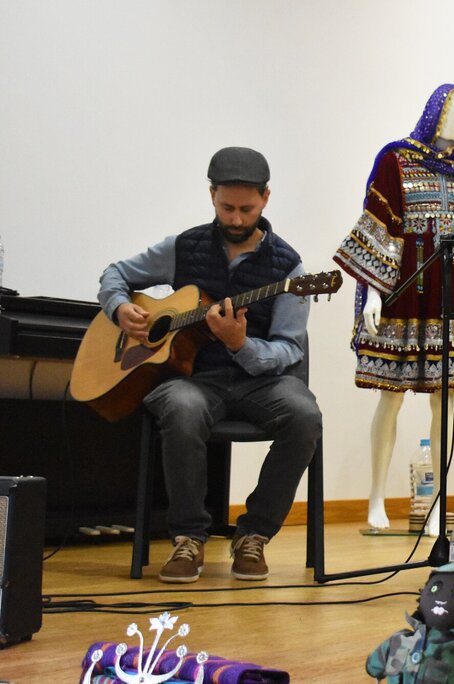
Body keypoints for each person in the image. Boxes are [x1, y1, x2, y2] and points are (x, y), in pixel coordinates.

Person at [98, 147, 323, 583]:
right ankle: (188, 538)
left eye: (246, 209)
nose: (236, 219)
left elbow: (288, 349)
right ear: (212, 196)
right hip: (193, 378)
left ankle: (253, 535)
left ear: (266, 198)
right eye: (226, 207)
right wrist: (119, 307)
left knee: (304, 416)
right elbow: (115, 274)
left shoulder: (291, 269)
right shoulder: (183, 247)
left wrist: (241, 345)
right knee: (181, 408)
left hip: (262, 382)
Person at [334, 83, 454, 536]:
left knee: (446, 399)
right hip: (403, 289)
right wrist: (373, 291)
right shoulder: (396, 159)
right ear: (432, 112)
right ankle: (376, 497)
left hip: (453, 297)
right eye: (448, 112)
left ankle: (439, 501)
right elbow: (378, 224)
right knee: (391, 395)